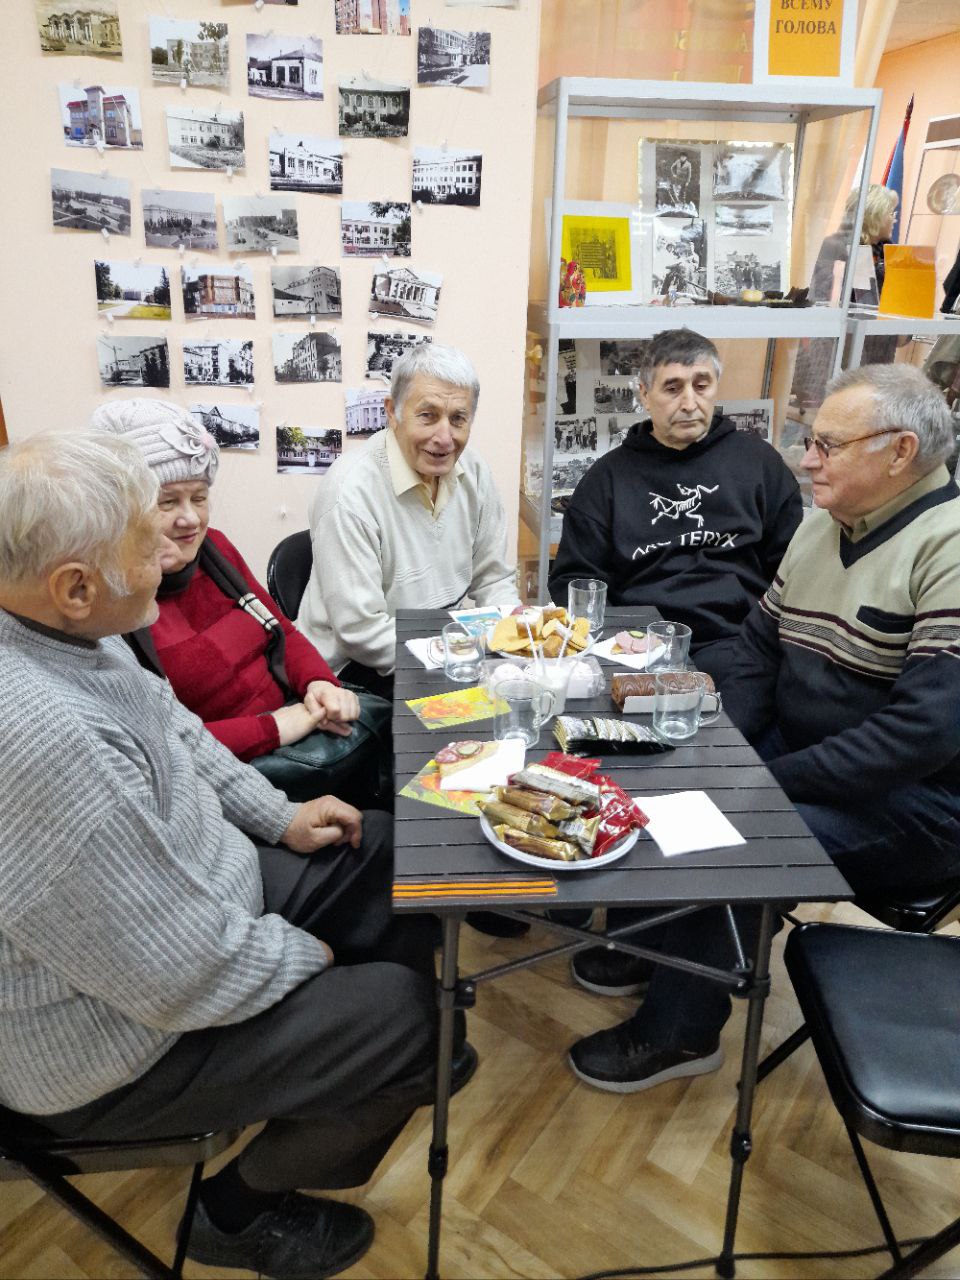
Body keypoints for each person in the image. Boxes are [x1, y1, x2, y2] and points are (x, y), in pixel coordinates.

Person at [0, 433, 470, 1278]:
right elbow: (168, 969)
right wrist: (300, 958)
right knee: (417, 1027)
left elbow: (173, 727)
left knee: (393, 860)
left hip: (204, 908)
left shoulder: (67, 630)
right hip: (113, 1042)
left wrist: (279, 816)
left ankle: (313, 1086)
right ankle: (235, 1213)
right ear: (74, 585)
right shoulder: (41, 738)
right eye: (147, 542)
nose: (171, 551)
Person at [567, 364, 960, 1093]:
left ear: (901, 452)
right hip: (808, 753)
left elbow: (921, 735)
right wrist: (721, 748)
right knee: (675, 767)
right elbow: (755, 649)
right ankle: (653, 945)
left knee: (734, 835)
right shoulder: (825, 526)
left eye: (828, 445)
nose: (807, 459)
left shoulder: (950, 548)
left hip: (920, 804)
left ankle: (681, 1031)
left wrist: (761, 782)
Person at [87, 400, 377, 805]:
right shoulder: (111, 607)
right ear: (122, 507)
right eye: (166, 502)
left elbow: (283, 631)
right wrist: (277, 726)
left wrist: (318, 684)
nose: (190, 519)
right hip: (231, 780)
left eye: (199, 497)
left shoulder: (215, 548)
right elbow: (161, 745)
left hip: (296, 727)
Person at [549, 328, 802, 686]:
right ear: (644, 394)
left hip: (736, 641)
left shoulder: (759, 464)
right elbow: (574, 580)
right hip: (638, 645)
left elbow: (793, 567)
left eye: (701, 385)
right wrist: (623, 639)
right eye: (672, 388)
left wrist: (766, 636)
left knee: (732, 728)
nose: (688, 402)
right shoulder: (607, 479)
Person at [298, 343, 518, 698]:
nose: (445, 438)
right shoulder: (349, 494)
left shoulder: (473, 471)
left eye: (458, 419)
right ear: (392, 412)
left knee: (524, 706)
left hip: (441, 649)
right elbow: (363, 634)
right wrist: (462, 653)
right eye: (428, 416)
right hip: (357, 676)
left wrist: (514, 640)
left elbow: (493, 577)